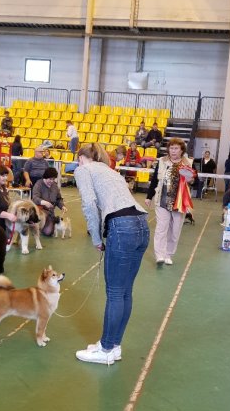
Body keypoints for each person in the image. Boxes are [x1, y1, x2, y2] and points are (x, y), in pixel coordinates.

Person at [74, 143, 149, 365]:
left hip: (121, 227)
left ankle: (106, 349)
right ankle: (113, 345)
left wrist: (96, 238)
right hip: (142, 225)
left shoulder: (83, 170)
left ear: (81, 158)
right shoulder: (111, 171)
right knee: (125, 291)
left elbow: (89, 204)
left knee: (115, 292)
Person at [145, 138, 196, 267]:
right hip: (162, 200)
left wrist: (190, 180)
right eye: (171, 148)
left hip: (179, 203)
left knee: (175, 230)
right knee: (161, 229)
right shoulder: (162, 161)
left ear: (181, 150)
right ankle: (160, 255)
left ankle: (168, 254)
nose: (173, 151)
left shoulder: (188, 163)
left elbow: (195, 182)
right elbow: (155, 181)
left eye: (176, 148)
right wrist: (149, 196)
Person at [31, 168, 66, 236]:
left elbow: (58, 199)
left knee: (49, 232)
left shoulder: (55, 186)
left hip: (50, 213)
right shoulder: (38, 184)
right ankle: (37, 224)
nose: (51, 181)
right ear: (45, 177)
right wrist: (44, 202)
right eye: (50, 179)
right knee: (47, 229)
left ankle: (50, 221)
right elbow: (35, 198)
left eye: (53, 179)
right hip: (40, 211)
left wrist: (62, 206)